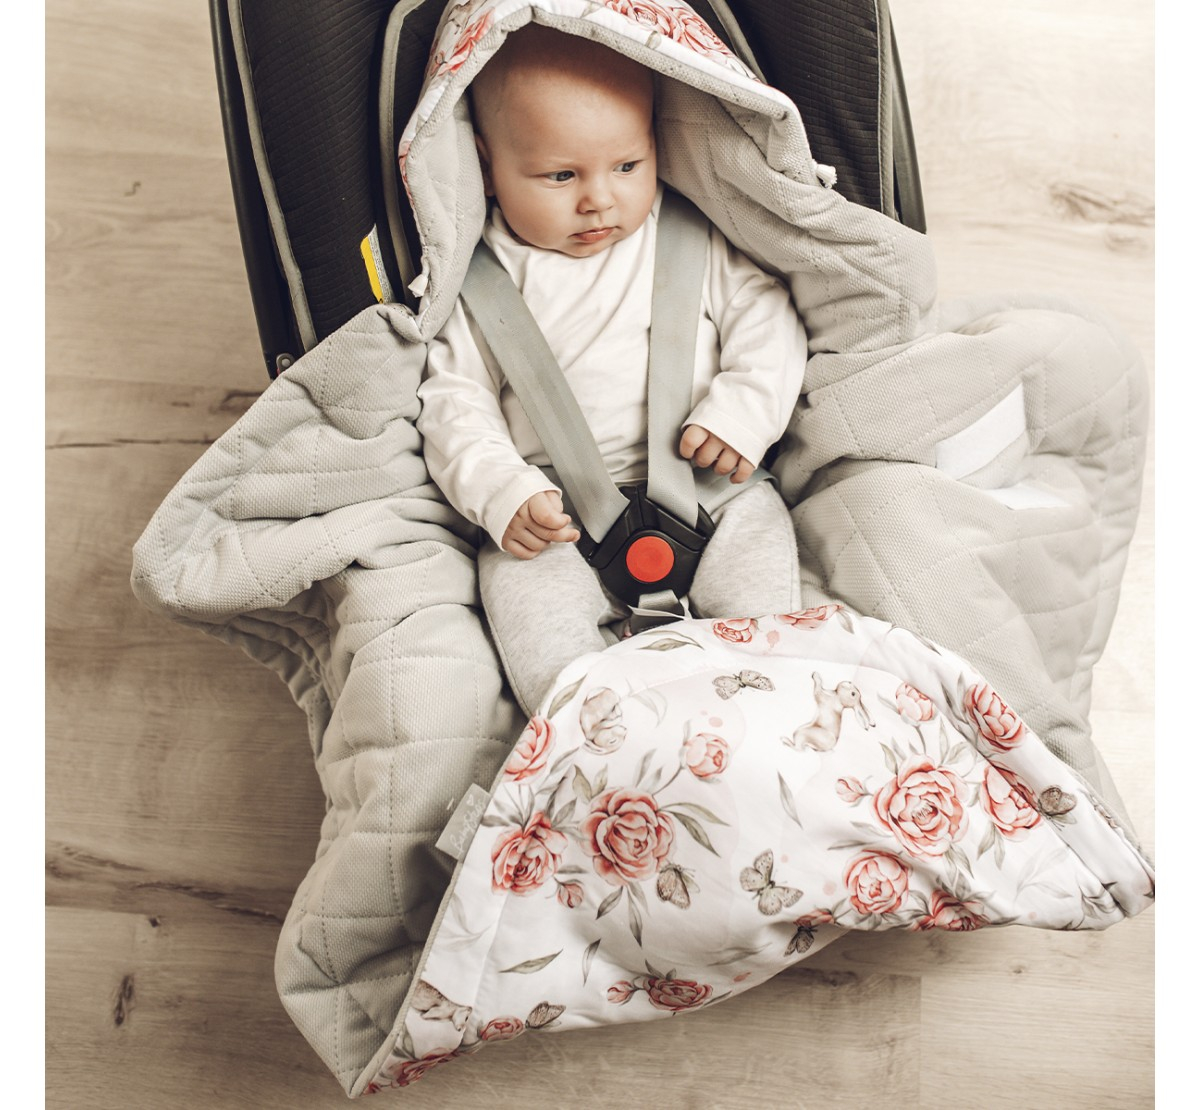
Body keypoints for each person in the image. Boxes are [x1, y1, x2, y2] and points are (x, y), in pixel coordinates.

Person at [416, 24, 807, 715]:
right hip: (554, 518)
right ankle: (591, 734)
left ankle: (759, 708)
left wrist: (744, 411)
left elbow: (767, 320)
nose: (599, 198)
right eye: (561, 175)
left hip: (714, 489)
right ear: (487, 165)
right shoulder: (479, 283)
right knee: (537, 624)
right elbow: (454, 404)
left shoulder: (687, 234)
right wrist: (502, 492)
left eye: (627, 165)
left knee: (767, 608)